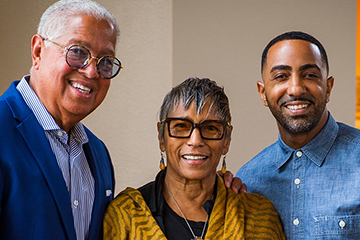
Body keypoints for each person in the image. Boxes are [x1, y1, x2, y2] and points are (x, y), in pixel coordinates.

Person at [103, 77, 285, 240]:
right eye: (181, 126)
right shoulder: (126, 214)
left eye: (210, 128)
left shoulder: (258, 216)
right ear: (161, 137)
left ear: (227, 139)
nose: (195, 141)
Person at [0, 0, 122, 239]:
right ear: (38, 51)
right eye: (77, 52)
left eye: (105, 61)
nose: (91, 71)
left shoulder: (98, 153)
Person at [236, 31, 360, 239]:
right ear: (262, 92)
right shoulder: (248, 181)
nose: (295, 88)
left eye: (310, 75)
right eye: (281, 76)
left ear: (328, 88)